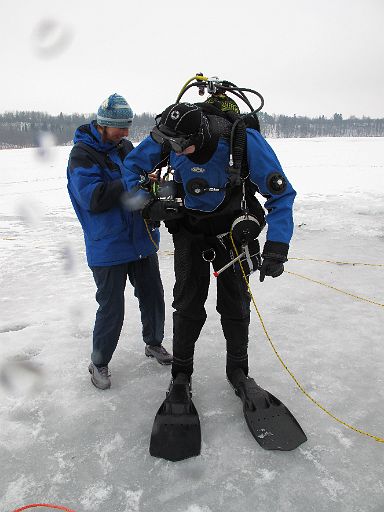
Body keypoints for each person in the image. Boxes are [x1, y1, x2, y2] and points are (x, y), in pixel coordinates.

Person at [121, 98, 302, 458]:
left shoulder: (241, 140)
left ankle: (239, 372)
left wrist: (278, 245)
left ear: (199, 136)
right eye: (168, 145)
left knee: (234, 304)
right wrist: (148, 199)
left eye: (180, 146)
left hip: (233, 234)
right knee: (187, 304)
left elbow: (282, 194)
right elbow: (132, 167)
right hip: (189, 233)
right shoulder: (169, 135)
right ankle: (181, 376)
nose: (173, 151)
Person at [66, 93, 172, 391]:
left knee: (153, 295)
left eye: (127, 127)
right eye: (120, 127)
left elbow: (136, 185)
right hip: (108, 245)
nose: (126, 133)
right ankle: (98, 362)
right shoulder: (81, 155)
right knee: (112, 308)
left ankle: (154, 344)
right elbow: (93, 198)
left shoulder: (125, 147)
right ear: (103, 125)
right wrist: (132, 181)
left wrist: (150, 184)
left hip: (140, 239)